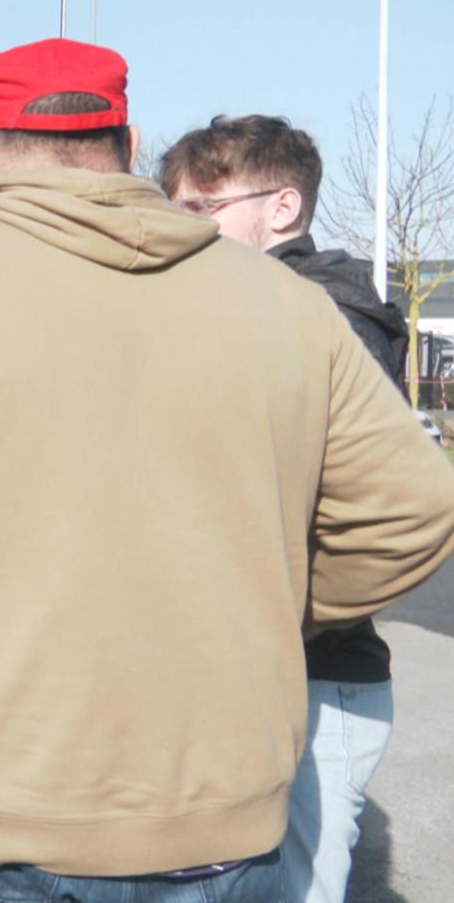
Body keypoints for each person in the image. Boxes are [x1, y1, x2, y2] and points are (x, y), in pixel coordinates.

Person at [0, 37, 454, 902]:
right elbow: (415, 508)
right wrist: (277, 599)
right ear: (126, 148)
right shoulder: (285, 306)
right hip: (215, 831)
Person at [159, 115, 409, 903]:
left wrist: (295, 608)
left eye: (205, 207)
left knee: (299, 889)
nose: (185, 226)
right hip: (267, 670)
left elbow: (381, 500)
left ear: (282, 207)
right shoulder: (241, 305)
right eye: (177, 208)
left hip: (318, 677)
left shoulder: (326, 315)